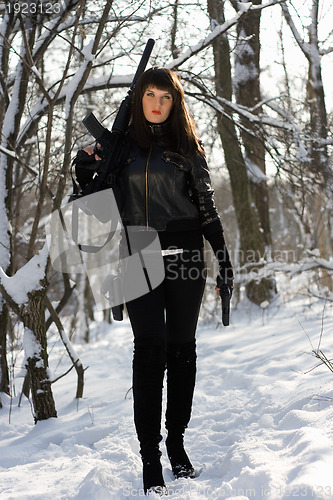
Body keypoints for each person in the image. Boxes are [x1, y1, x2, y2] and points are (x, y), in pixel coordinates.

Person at [82, 67, 233, 496]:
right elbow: (94, 214)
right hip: (137, 253)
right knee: (149, 353)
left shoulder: (188, 148)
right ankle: (151, 459)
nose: (156, 103)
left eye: (165, 97)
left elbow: (207, 211)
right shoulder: (120, 150)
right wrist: (85, 171)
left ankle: (177, 445)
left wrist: (224, 263)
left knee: (182, 352)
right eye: (149, 94)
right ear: (138, 99)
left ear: (175, 102)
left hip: (186, 256)